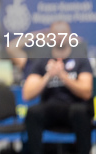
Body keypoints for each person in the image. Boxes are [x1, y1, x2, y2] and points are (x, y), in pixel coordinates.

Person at [23, 21, 94, 154]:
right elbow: (27, 94)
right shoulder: (42, 61)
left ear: (70, 36)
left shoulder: (81, 59)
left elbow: (86, 92)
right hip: (50, 108)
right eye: (56, 34)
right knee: (33, 113)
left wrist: (63, 75)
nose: (60, 37)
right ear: (50, 36)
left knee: (81, 112)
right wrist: (48, 76)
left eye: (63, 33)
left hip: (73, 107)